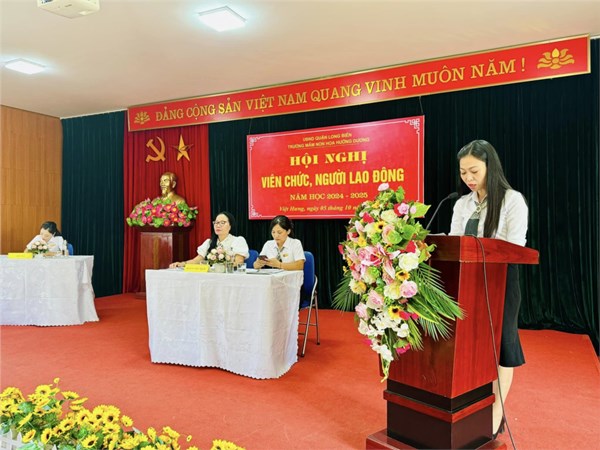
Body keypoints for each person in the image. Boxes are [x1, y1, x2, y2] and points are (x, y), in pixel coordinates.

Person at [449, 139, 528, 438]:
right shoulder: (461, 204)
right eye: (463, 172)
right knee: (471, 346)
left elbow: (516, 247)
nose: (468, 178)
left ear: (490, 167)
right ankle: (472, 404)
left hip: (501, 280)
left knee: (502, 346)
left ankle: (497, 413)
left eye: (474, 171)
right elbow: (454, 242)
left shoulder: (512, 200)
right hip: (466, 283)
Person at [170, 211, 249, 267]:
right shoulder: (209, 242)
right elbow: (197, 260)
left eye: (222, 222)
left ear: (230, 226)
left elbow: (239, 262)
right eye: (216, 223)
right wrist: (182, 264)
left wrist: (219, 268)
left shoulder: (238, 241)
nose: (218, 225)